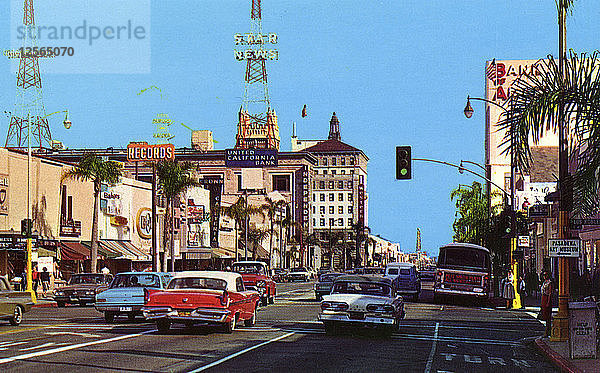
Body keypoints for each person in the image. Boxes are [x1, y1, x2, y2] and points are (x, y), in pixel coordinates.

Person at [540, 271, 553, 337]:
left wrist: (548, 302)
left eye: (545, 275)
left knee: (548, 316)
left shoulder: (549, 283)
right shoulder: (544, 282)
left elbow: (550, 293)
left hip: (547, 298)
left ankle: (548, 331)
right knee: (544, 315)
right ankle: (547, 331)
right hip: (543, 298)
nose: (544, 276)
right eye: (543, 275)